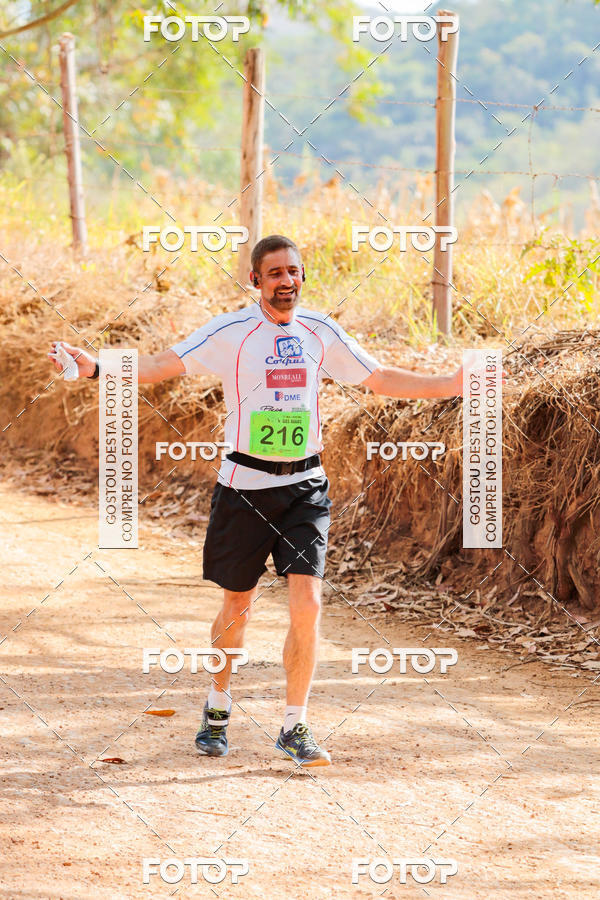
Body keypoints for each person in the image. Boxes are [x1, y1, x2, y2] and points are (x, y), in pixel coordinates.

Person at [49, 234, 465, 768]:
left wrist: (452, 383)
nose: (287, 281)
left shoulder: (321, 332)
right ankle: (218, 706)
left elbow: (380, 377)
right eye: (275, 274)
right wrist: (97, 369)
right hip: (244, 488)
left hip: (305, 487)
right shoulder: (231, 332)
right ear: (255, 281)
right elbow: (161, 364)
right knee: (237, 605)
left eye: (294, 272)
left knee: (308, 603)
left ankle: (295, 725)